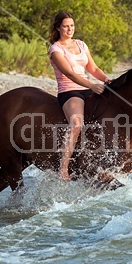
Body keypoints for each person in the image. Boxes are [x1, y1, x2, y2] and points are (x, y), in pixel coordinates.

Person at [49, 11, 112, 181]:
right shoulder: (56, 49)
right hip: (70, 91)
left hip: (87, 88)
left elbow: (94, 69)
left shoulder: (81, 45)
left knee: (112, 113)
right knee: (76, 123)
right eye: (65, 26)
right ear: (58, 27)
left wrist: (107, 80)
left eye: (72, 26)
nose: (69, 29)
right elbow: (69, 73)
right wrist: (91, 85)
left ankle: (118, 160)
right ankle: (63, 167)